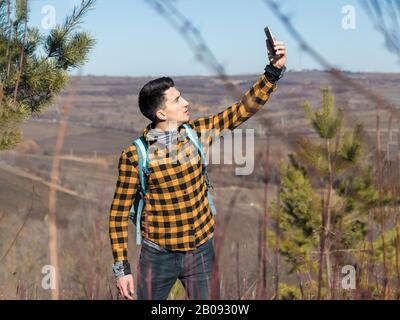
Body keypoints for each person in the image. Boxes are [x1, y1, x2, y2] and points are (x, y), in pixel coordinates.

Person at [109, 37, 287, 300]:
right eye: (177, 100)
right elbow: (117, 214)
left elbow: (241, 110)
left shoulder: (197, 133)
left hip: (201, 251)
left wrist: (272, 72)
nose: (186, 102)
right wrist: (121, 269)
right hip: (158, 256)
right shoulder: (136, 155)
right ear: (161, 114)